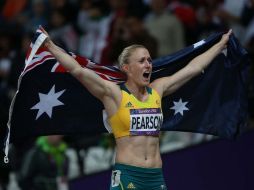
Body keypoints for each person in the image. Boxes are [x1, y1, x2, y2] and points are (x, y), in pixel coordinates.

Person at [40, 26, 232, 190]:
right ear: (126, 68)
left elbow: (193, 69)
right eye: (141, 61)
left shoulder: (158, 89)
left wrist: (219, 45)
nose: (148, 64)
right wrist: (50, 46)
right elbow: (77, 70)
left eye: (149, 60)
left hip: (156, 177)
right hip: (128, 176)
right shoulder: (114, 94)